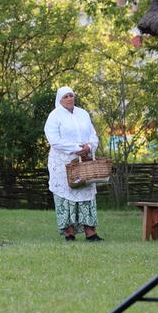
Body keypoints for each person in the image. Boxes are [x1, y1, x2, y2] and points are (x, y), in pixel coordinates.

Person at [44, 86, 103, 241]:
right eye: (66, 96)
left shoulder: (83, 114)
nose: (70, 98)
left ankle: (91, 232)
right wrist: (76, 148)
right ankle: (69, 233)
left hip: (84, 162)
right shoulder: (54, 116)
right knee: (66, 196)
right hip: (63, 163)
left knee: (86, 193)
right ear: (60, 99)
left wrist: (89, 147)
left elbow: (93, 135)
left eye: (71, 95)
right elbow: (54, 140)